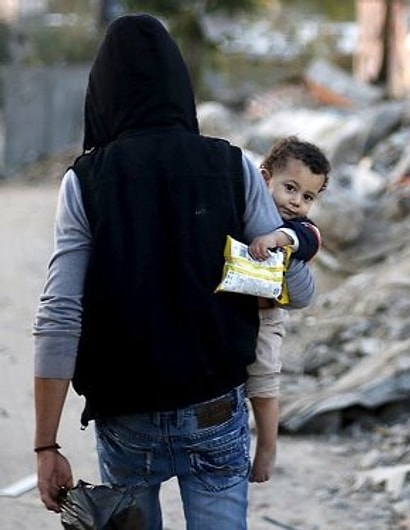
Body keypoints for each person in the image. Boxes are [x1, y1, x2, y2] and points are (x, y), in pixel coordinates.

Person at [31, 13, 315, 530]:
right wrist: (292, 240)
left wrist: (46, 445)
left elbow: (61, 313)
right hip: (214, 408)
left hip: (126, 415)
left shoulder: (85, 182)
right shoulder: (232, 168)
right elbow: (293, 290)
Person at [244, 137, 330, 483]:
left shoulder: (301, 229)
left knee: (263, 382)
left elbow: (307, 240)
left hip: (266, 317)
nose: (296, 202)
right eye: (290, 188)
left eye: (308, 197)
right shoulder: (244, 209)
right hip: (232, 311)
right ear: (266, 179)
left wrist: (276, 239)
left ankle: (267, 448)